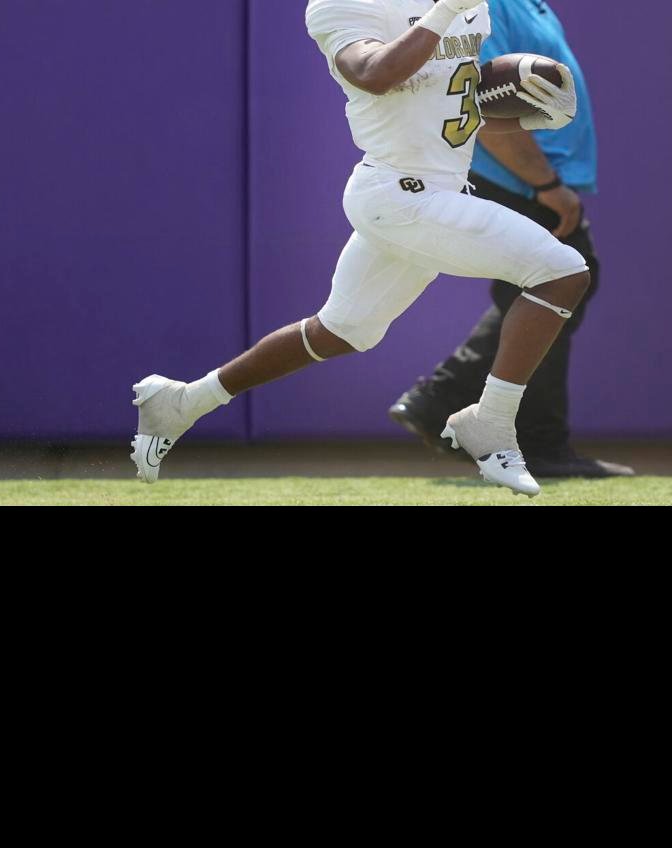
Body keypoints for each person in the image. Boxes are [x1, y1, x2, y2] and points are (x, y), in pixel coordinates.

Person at [130, 0, 588, 497]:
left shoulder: (468, 9)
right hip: (399, 194)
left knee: (343, 331)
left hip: (433, 190)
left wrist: (528, 116)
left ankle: (182, 402)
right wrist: (443, 12)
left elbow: (453, 101)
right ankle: (491, 421)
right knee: (562, 272)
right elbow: (375, 74)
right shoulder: (340, 5)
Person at [388, 0, 632, 479]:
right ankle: (513, 432)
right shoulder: (488, 5)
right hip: (514, 177)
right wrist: (544, 183)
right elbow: (478, 102)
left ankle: (450, 401)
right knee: (555, 291)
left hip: (533, 176)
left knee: (549, 295)